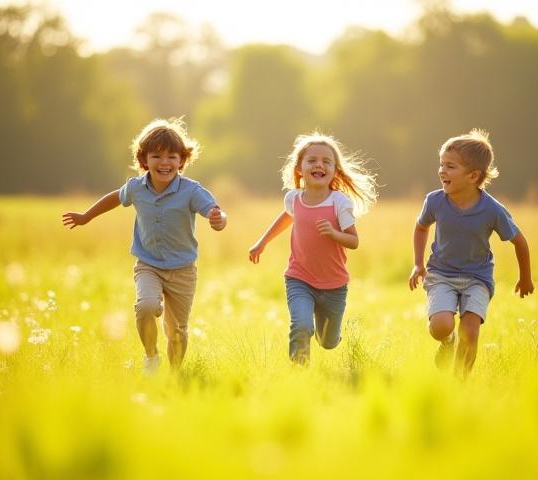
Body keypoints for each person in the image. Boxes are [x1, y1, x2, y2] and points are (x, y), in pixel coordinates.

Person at [62, 118, 227, 373]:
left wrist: (218, 221)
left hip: (183, 270)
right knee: (146, 306)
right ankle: (151, 356)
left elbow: (216, 213)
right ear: (144, 160)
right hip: (148, 264)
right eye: (156, 156)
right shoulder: (136, 188)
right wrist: (86, 216)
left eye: (172, 156)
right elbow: (114, 198)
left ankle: (174, 375)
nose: (164, 162)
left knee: (178, 331)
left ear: (181, 161)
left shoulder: (192, 191)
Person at [408, 129, 533, 379]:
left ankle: (459, 382)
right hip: (441, 273)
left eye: (450, 166)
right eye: (441, 164)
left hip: (478, 278)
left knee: (471, 332)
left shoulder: (493, 210)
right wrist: (418, 264)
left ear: (473, 175)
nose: (442, 171)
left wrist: (525, 277)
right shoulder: (435, 201)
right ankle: (447, 342)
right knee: (440, 327)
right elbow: (421, 226)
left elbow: (519, 242)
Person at [249, 132, 378, 365]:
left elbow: (353, 241)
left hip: (334, 284)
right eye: (312, 160)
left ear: (335, 171)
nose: (319, 164)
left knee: (327, 341)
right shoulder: (294, 198)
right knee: (301, 325)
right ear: (299, 168)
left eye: (326, 161)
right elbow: (286, 219)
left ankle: (329, 336)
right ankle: (299, 374)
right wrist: (262, 242)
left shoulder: (339, 203)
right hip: (299, 277)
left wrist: (334, 233)